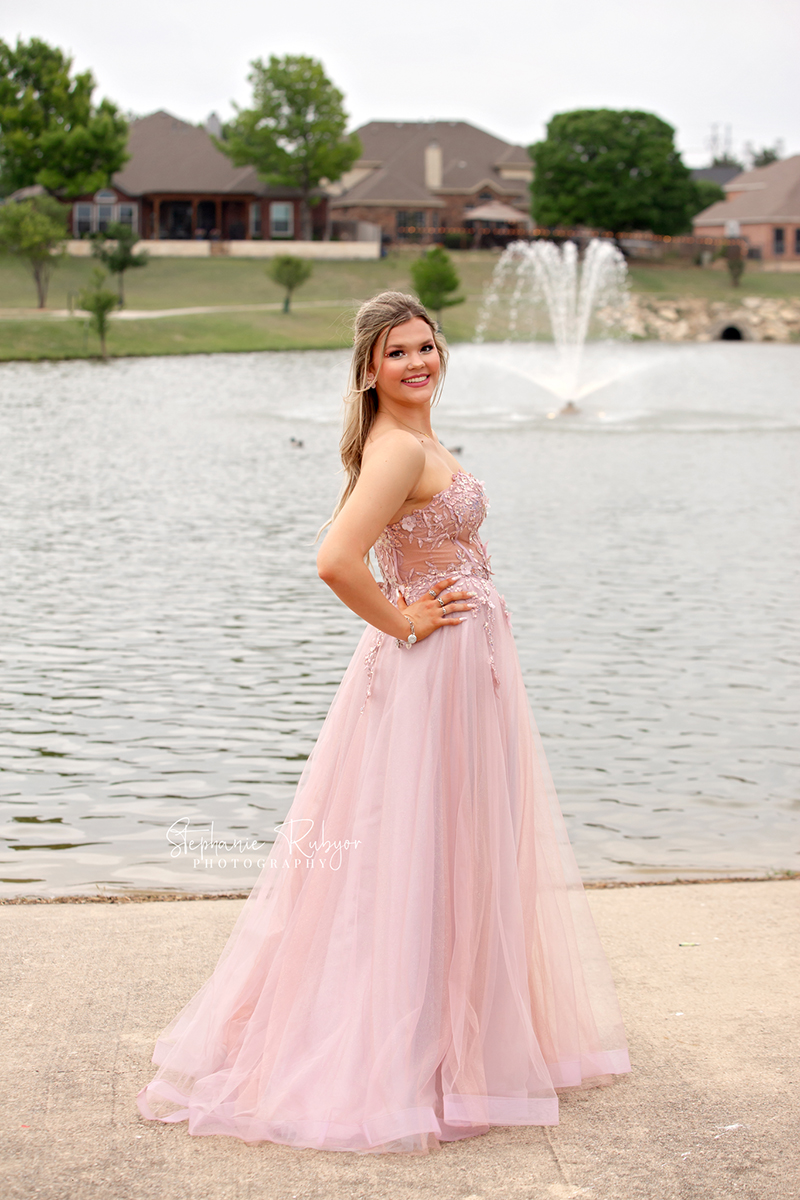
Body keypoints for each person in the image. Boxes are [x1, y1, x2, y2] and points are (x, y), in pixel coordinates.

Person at [137, 291, 630, 1153]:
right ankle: (408, 1054)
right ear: (370, 369)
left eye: (426, 347)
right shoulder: (398, 448)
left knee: (453, 847)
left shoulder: (414, 439)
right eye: (397, 353)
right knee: (420, 851)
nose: (417, 363)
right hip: (429, 671)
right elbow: (335, 558)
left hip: (457, 671)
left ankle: (456, 1038)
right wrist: (405, 622)